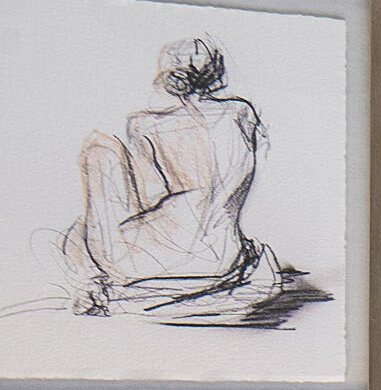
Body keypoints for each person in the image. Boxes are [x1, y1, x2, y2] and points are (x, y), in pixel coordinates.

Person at [60, 36, 327, 326]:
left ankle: (92, 280)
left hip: (148, 260)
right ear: (216, 74)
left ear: (164, 76)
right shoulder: (242, 112)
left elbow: (148, 199)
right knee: (89, 227)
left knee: (100, 148)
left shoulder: (144, 124)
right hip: (224, 256)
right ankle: (96, 277)